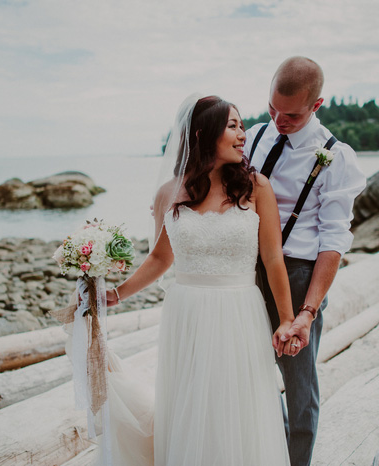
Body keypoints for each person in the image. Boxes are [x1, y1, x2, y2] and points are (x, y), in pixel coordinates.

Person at [104, 94, 300, 465]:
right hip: (187, 313)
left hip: (240, 311)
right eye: (232, 126)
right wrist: (118, 292)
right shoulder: (169, 193)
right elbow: (162, 257)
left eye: (242, 125)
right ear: (202, 134)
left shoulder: (256, 187)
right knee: (192, 404)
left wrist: (288, 319)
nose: (242, 134)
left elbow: (273, 258)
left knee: (239, 405)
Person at [244, 56, 367, 466]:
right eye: (272, 109)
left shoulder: (335, 156)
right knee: (248, 372)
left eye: (291, 115)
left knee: (299, 386)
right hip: (244, 274)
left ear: (317, 105)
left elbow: (334, 240)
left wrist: (308, 311)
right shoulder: (256, 135)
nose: (278, 121)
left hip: (298, 277)